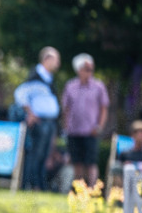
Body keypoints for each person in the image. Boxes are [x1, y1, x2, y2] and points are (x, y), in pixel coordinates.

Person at [14, 47, 61, 190]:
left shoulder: (49, 79)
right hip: (39, 123)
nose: (58, 63)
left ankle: (40, 184)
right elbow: (20, 94)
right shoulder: (36, 76)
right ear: (46, 59)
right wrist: (30, 113)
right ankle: (29, 184)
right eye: (55, 60)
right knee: (36, 153)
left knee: (44, 155)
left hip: (49, 122)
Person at [62, 53, 109, 187]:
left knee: (91, 163)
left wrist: (99, 127)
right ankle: (79, 190)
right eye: (86, 69)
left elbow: (104, 108)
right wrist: (67, 128)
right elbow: (66, 109)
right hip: (74, 131)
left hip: (91, 131)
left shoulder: (98, 86)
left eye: (91, 69)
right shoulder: (70, 86)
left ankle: (92, 190)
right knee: (77, 163)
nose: (89, 72)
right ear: (79, 70)